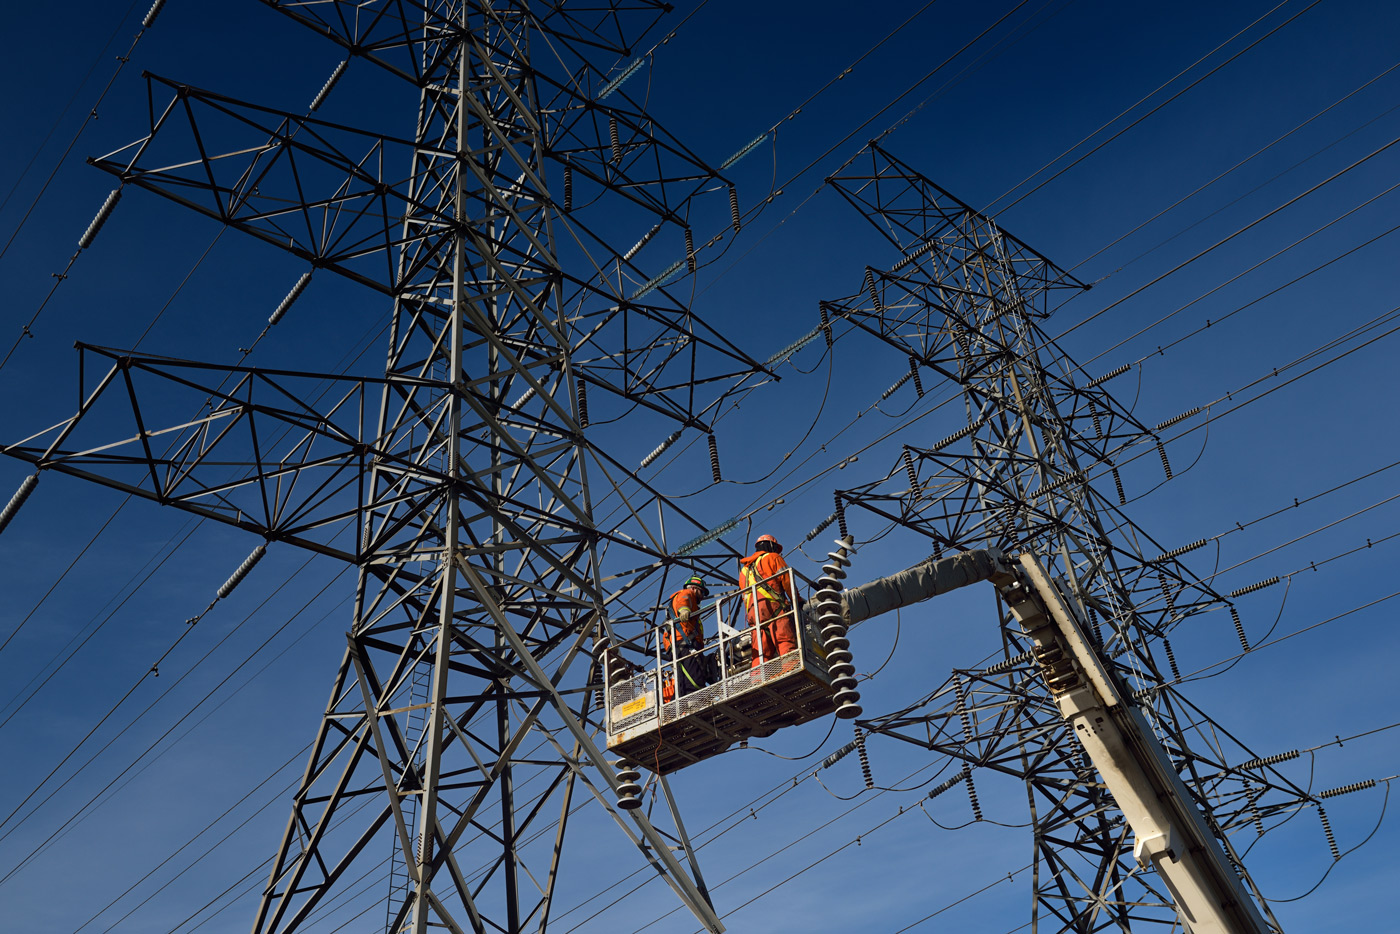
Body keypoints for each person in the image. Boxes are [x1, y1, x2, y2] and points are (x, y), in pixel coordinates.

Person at [738, 534, 799, 669]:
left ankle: (757, 678)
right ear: (772, 546)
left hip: (753, 612)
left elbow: (744, 595)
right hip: (773, 607)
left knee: (760, 651)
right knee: (784, 640)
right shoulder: (773, 558)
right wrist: (797, 600)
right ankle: (791, 667)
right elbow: (787, 580)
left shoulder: (744, 570)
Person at [662, 575, 711, 698]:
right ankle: (693, 699)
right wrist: (684, 610)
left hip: (680, 643)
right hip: (683, 642)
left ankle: (679, 702)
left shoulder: (692, 601)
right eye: (702, 592)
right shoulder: (687, 593)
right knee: (693, 675)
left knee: (682, 677)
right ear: (695, 588)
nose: (702, 597)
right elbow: (683, 600)